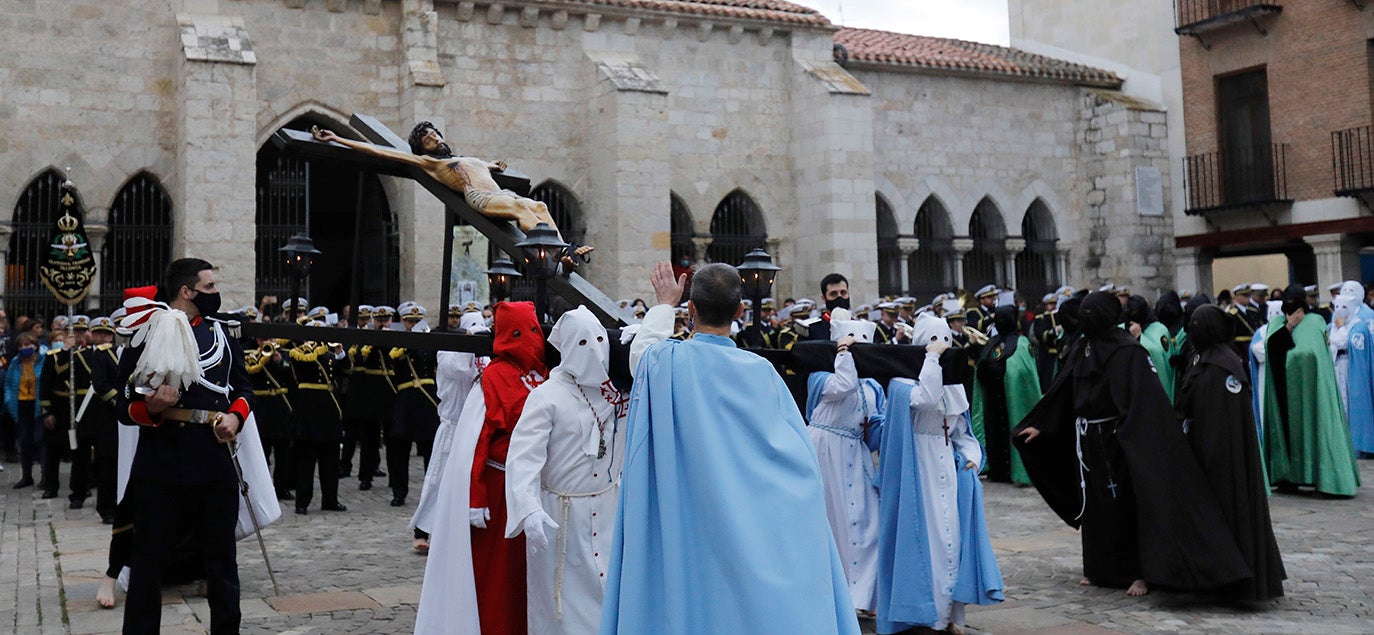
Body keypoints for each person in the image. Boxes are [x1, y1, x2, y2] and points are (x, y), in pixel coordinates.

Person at [600, 262, 859, 634]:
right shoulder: (762, 372)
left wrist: (663, 304)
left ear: (689, 310)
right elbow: (799, 454)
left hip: (691, 512)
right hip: (751, 514)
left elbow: (642, 353)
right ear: (740, 312)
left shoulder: (666, 363)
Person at [1013, 291, 1250, 598]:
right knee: (1097, 509)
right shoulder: (1083, 347)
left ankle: (1139, 572)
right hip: (1088, 441)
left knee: (1129, 506)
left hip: (1120, 441)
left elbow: (1145, 402)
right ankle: (1100, 569)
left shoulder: (1129, 351)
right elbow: (1065, 391)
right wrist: (1042, 426)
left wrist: (1132, 437)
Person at [115, 258, 253, 633]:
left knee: (222, 565)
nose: (216, 294)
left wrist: (235, 418)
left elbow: (242, 388)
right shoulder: (146, 331)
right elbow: (122, 404)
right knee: (148, 565)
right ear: (186, 291)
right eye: (209, 288)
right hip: (162, 463)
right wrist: (152, 407)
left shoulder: (224, 333)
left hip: (212, 461)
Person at [875, 313, 1003, 635]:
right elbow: (927, 398)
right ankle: (928, 614)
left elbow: (962, 433)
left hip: (947, 465)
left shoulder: (953, 383)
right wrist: (930, 360)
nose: (943, 346)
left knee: (952, 539)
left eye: (946, 340)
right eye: (934, 340)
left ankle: (951, 614)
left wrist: (972, 458)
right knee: (928, 539)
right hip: (918, 468)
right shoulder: (902, 384)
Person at [504, 306, 627, 635]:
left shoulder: (614, 394)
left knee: (608, 596)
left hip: (607, 509)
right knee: (563, 608)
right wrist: (528, 508)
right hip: (561, 516)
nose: (595, 350)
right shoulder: (546, 397)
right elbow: (523, 458)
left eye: (601, 340)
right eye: (584, 343)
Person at [312, 123, 593, 262]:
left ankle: (564, 252)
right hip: (480, 197)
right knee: (521, 211)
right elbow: (381, 152)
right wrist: (337, 138)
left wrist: (493, 165)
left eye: (434, 134)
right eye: (427, 139)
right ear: (423, 148)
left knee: (540, 207)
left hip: (501, 191)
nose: (434, 138)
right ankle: (555, 254)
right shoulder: (432, 163)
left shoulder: (469, 158)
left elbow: (487, 165)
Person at [1177, 305, 1286, 601]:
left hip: (1221, 460)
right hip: (1203, 452)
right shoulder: (1205, 359)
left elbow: (1221, 421)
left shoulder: (1222, 366)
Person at [470, 301, 548, 635]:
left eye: (533, 331)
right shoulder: (494, 375)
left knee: (533, 570)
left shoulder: (547, 371)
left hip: (539, 484)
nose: (528, 340)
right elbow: (479, 438)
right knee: (501, 572)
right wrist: (476, 494)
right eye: (518, 333)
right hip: (500, 488)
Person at [804, 314, 886, 616]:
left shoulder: (873, 386)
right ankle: (836, 594)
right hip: (825, 452)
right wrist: (842, 352)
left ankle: (862, 595)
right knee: (833, 522)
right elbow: (844, 384)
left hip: (855, 454)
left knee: (868, 523)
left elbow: (876, 421)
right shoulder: (821, 376)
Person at [1259, 284, 1361, 497]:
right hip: (1282, 391)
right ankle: (1287, 477)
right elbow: (1271, 350)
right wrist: (1288, 327)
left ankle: (1326, 479)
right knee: (1285, 434)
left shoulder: (1315, 322)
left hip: (1311, 392)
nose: (1290, 306)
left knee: (1316, 429)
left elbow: (1312, 353)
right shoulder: (1277, 323)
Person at [410, 312, 488, 553]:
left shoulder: (484, 355)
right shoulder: (448, 353)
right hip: (453, 425)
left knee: (473, 478)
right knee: (439, 478)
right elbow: (460, 371)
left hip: (477, 424)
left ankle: (465, 527)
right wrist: (467, 344)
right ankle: (423, 529)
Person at [972, 305, 1039, 485]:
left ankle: (1012, 470)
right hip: (994, 400)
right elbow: (981, 369)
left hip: (1010, 400)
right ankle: (998, 469)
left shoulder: (1021, 344)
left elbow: (1025, 375)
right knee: (995, 434)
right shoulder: (992, 342)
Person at [288, 325, 349, 514]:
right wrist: (318, 345)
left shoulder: (331, 356)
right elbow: (304, 361)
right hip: (309, 412)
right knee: (306, 462)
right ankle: (302, 501)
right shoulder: (300, 352)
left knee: (330, 462)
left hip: (329, 414)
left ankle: (330, 499)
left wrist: (339, 351)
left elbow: (346, 369)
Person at [387, 303, 441, 507]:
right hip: (406, 399)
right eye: (409, 321)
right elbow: (393, 358)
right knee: (400, 448)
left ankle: (432, 491)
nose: (413, 324)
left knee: (430, 448)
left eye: (416, 321)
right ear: (403, 321)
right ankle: (399, 491)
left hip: (427, 398)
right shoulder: (398, 342)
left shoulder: (429, 341)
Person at [346, 306, 394, 491]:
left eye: (386, 320)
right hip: (371, 395)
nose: (382, 323)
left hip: (390, 393)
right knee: (369, 440)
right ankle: (365, 476)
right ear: (374, 321)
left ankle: (395, 478)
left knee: (393, 440)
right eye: (379, 320)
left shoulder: (396, 339)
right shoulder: (365, 339)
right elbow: (356, 359)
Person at [245, 338, 296, 500]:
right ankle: (263, 488)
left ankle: (282, 488)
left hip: (280, 410)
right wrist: (262, 356)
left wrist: (279, 362)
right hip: (262, 410)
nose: (266, 342)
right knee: (262, 454)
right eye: (262, 339)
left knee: (283, 454)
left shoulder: (283, 354)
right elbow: (249, 372)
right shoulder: (249, 353)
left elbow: (291, 376)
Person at [5, 331, 49, 489]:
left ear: (35, 346)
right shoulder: (15, 363)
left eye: (28, 345)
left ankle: (45, 476)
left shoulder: (43, 361)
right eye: (21, 345)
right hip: (21, 405)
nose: (25, 348)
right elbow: (9, 385)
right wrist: (8, 401)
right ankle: (26, 475)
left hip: (38, 406)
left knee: (41, 441)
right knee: (24, 441)